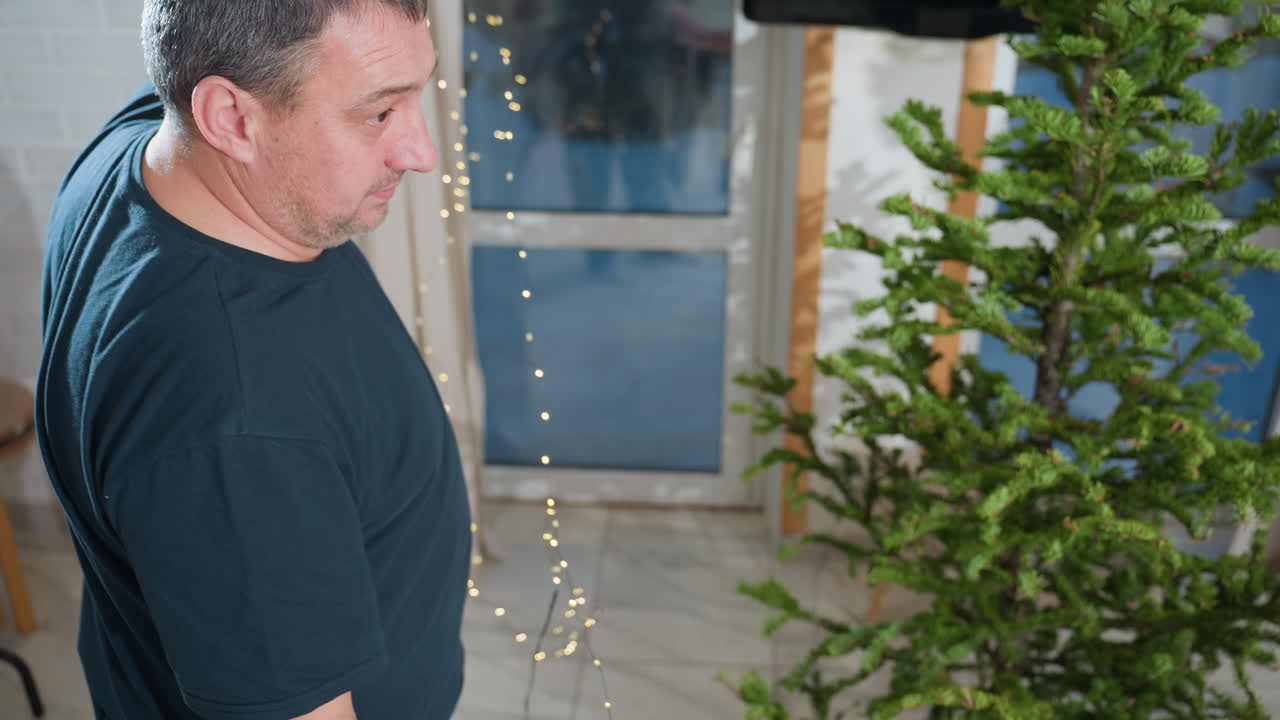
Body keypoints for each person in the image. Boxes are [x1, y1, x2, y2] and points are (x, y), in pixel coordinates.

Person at [34, 1, 471, 718]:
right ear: (232, 120)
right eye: (379, 114)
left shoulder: (138, 146)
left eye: (417, 96)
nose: (419, 151)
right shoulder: (234, 425)